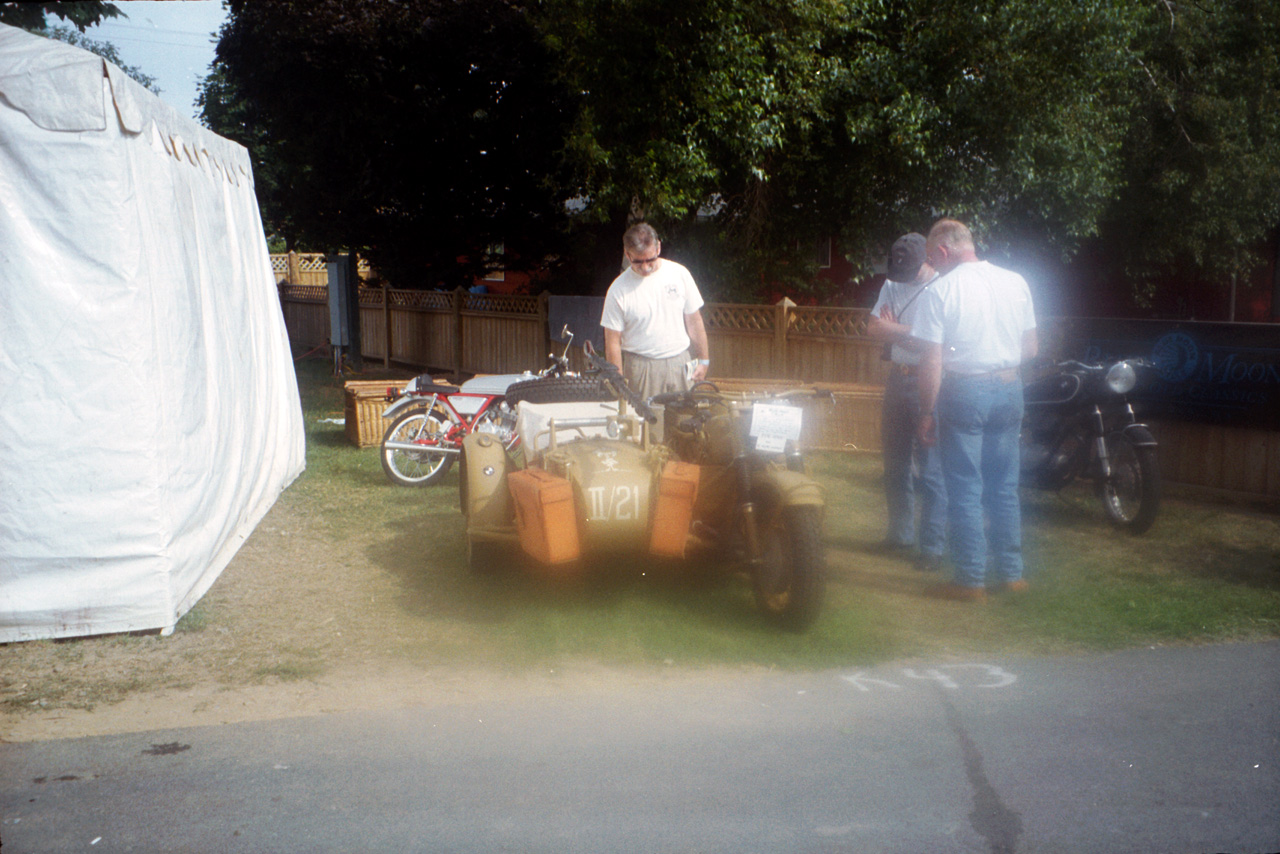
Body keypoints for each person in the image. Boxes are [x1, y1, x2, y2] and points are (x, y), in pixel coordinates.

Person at [911, 219, 1038, 600]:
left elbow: (931, 361)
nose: (933, 264)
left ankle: (969, 580)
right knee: (1004, 486)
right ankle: (1012, 575)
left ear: (943, 252)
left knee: (965, 487)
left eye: (934, 257)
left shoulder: (941, 290)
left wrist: (927, 412)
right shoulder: (1016, 281)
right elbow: (1031, 349)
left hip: (965, 390)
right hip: (1010, 385)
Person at [867, 233, 947, 570]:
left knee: (932, 468)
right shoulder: (892, 283)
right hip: (897, 377)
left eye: (910, 269)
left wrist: (895, 327)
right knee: (895, 462)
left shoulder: (943, 287)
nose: (902, 277)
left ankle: (932, 547)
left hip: (929, 380)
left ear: (928, 259)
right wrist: (907, 331)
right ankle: (900, 535)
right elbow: (872, 328)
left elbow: (938, 346)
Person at [600, 223, 710, 400]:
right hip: (641, 369)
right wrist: (618, 382)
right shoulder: (617, 290)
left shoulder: (679, 274)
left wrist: (704, 361)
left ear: (658, 247)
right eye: (637, 261)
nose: (645, 267)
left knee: (685, 424)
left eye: (649, 260)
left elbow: (695, 322)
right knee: (646, 427)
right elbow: (612, 341)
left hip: (680, 364)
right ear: (627, 254)